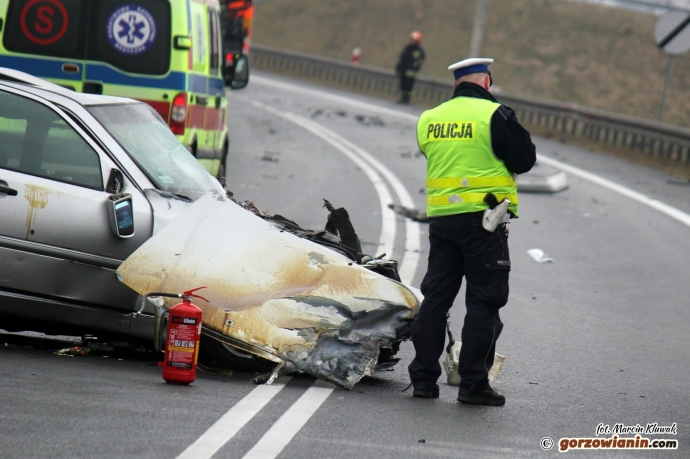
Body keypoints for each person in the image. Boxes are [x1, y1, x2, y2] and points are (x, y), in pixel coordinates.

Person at [408, 58, 536, 406]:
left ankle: (422, 379)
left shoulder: (430, 118)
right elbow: (525, 159)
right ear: (487, 82)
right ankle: (473, 384)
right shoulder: (495, 115)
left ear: (455, 85)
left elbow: (431, 153)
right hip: (484, 223)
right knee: (484, 302)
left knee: (435, 300)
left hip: (442, 221)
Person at [395, 31, 425, 104]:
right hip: (404, 70)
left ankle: (406, 99)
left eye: (414, 39)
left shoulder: (419, 50)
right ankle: (402, 97)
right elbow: (402, 58)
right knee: (403, 84)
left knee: (409, 86)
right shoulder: (408, 48)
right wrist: (398, 67)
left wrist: (416, 66)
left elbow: (420, 60)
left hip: (411, 72)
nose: (412, 41)